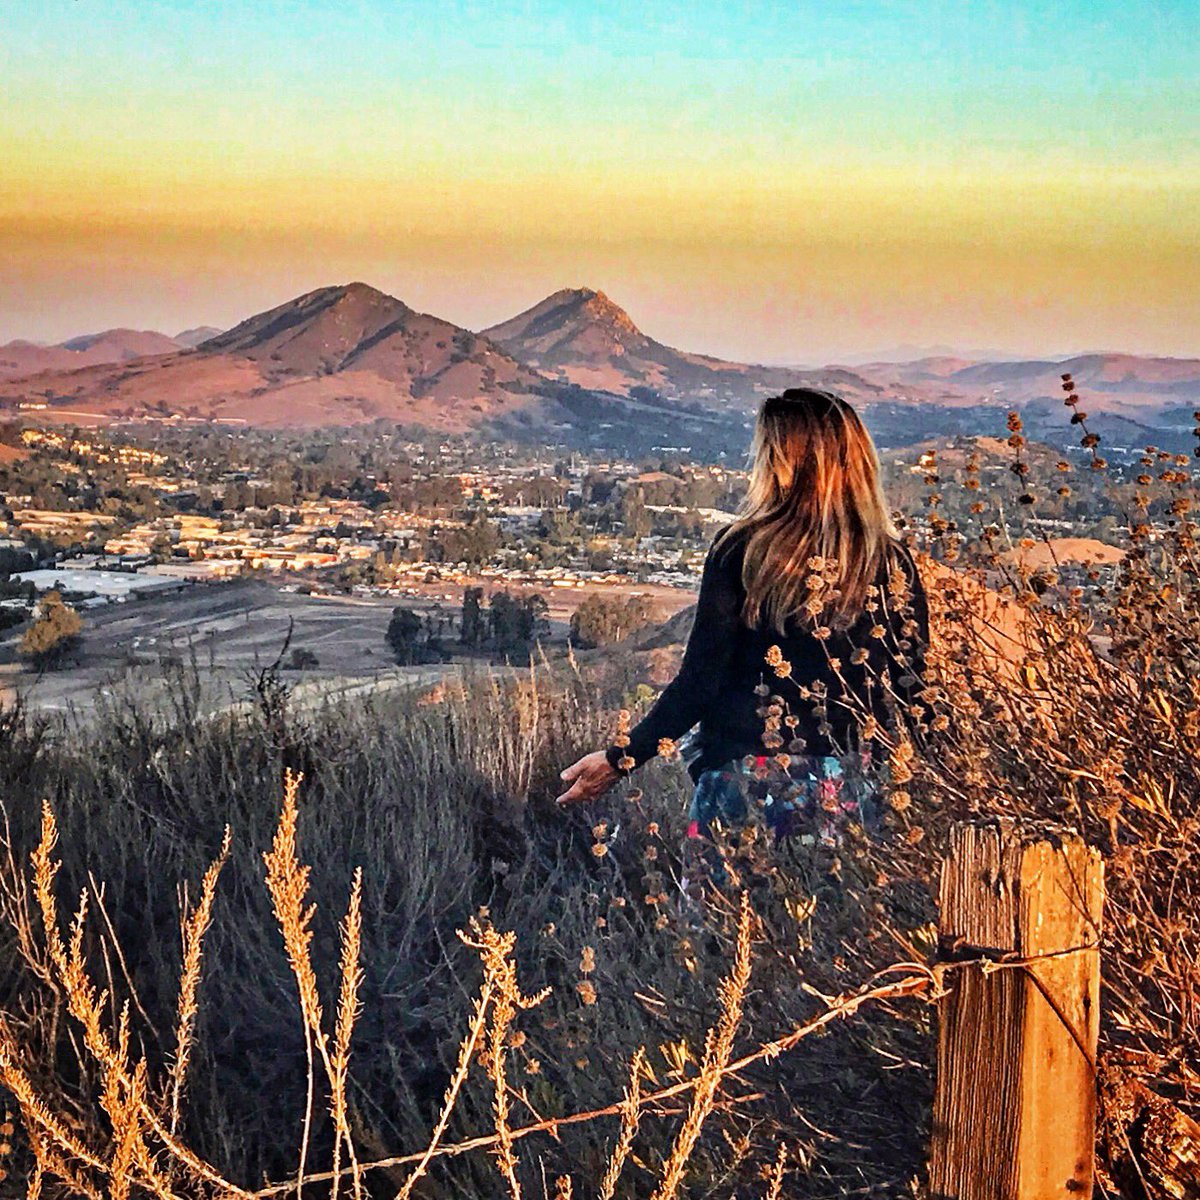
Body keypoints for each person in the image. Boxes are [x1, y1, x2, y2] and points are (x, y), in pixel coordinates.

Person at [556, 388, 930, 855]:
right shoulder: (889, 561)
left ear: (779, 462)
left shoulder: (742, 551)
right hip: (850, 794)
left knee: (726, 906)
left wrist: (620, 760)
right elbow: (915, 692)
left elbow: (700, 683)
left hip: (741, 788)